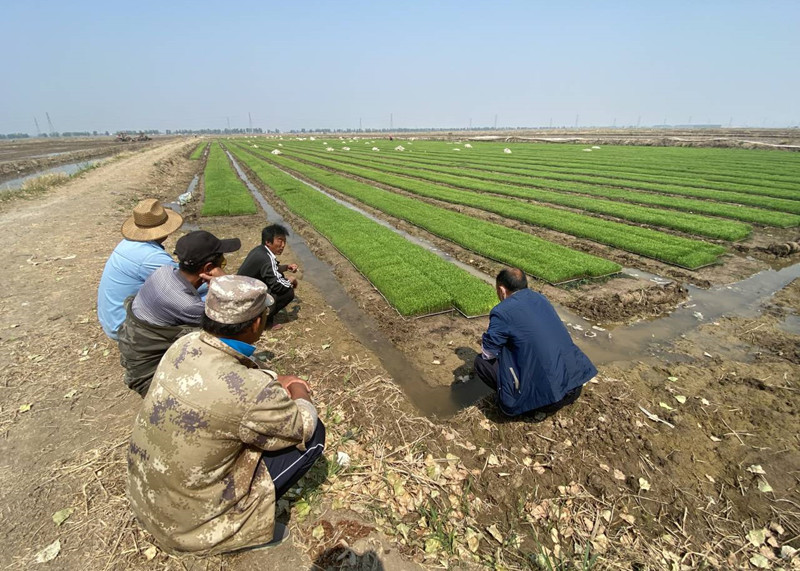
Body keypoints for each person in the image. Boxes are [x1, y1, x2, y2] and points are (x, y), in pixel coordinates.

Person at [127, 275, 325, 555]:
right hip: (189, 530)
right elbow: (302, 425)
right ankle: (241, 530)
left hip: (147, 501)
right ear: (256, 323)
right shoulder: (251, 391)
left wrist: (272, 377)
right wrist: (298, 389)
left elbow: (233, 379)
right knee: (314, 435)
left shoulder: (185, 344)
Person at [117, 230, 241, 396]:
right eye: (222, 263)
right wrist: (226, 283)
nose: (223, 266)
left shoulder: (164, 271)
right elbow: (237, 316)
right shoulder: (187, 305)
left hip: (133, 352)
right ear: (208, 268)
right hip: (149, 376)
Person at [474, 267, 597, 417]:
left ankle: (520, 401)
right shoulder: (540, 299)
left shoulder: (502, 311)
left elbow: (488, 353)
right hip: (576, 385)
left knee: (481, 363)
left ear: (502, 290)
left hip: (549, 401)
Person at [97, 199, 183, 340]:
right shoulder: (150, 257)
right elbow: (186, 283)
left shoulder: (128, 244)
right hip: (124, 327)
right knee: (200, 302)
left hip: (111, 319)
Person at [237, 224, 298, 331]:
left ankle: (258, 314)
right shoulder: (267, 258)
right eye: (280, 241)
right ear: (268, 242)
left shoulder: (260, 251)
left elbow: (271, 269)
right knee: (288, 292)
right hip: (244, 301)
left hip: (240, 293)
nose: (283, 245)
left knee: (280, 277)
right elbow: (278, 286)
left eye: (284, 241)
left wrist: (286, 267)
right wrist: (291, 280)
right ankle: (264, 321)